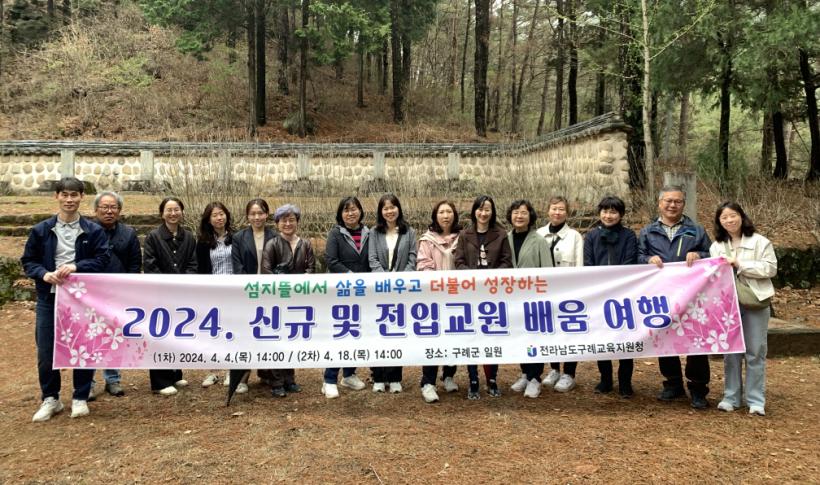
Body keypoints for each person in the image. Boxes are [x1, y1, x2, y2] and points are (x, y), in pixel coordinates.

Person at [21, 177, 110, 421]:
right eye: (65, 195)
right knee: (46, 350)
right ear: (56, 196)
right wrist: (44, 274)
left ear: (82, 197)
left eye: (74, 195)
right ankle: (51, 398)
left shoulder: (93, 230)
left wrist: (76, 266)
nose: (69, 200)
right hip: (48, 298)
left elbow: (102, 259)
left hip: (82, 299)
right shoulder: (41, 230)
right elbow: (29, 261)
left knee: (84, 346)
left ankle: (80, 397)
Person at [638, 185, 712, 409]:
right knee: (665, 338)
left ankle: (698, 388)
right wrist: (647, 260)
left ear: (683, 204)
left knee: (696, 340)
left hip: (692, 296)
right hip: (661, 295)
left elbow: (712, 255)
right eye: (668, 201)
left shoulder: (696, 230)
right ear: (660, 203)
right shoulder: (648, 231)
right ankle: (672, 384)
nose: (672, 205)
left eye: (677, 201)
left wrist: (699, 254)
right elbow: (638, 256)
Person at [709, 202, 777, 416]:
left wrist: (740, 264)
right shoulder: (716, 246)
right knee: (731, 351)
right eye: (724, 217)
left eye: (733, 215)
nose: (729, 220)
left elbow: (770, 269)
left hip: (755, 301)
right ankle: (731, 397)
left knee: (755, 351)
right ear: (719, 222)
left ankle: (755, 400)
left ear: (741, 216)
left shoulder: (760, 242)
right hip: (728, 304)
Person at [454, 195, 512, 400]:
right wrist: (472, 278)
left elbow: (506, 261)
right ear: (474, 212)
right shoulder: (464, 235)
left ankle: (492, 378)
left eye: (487, 209)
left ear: (492, 211)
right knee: (471, 336)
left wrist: (491, 278)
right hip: (470, 293)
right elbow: (458, 261)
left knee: (491, 335)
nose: (483, 213)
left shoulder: (501, 234)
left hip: (493, 294)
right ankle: (473, 379)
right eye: (480, 209)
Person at [584, 196, 638, 397]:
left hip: (624, 294)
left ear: (621, 215)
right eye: (605, 211)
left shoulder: (629, 235)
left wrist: (615, 283)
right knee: (602, 338)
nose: (608, 216)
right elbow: (588, 264)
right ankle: (605, 379)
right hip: (599, 295)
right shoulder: (591, 236)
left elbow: (630, 261)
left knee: (625, 339)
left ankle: (625, 382)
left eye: (613, 212)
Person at [143, 196, 197, 396]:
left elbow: (193, 264)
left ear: (182, 212)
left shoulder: (188, 237)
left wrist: (183, 283)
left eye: (176, 210)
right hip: (160, 294)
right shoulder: (153, 237)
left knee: (177, 333)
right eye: (169, 210)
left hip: (182, 294)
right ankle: (160, 381)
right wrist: (168, 285)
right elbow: (150, 265)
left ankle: (175, 373)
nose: (173, 213)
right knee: (160, 334)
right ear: (162, 214)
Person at [89, 191, 141, 398]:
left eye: (113, 207)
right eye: (105, 207)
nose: (109, 211)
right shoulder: (86, 231)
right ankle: (87, 383)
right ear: (96, 209)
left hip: (118, 293)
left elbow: (135, 264)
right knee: (89, 337)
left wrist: (129, 289)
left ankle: (113, 379)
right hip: (90, 294)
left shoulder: (128, 233)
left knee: (113, 336)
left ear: (119, 210)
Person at [261, 204, 314, 397]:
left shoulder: (305, 244)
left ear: (297, 222)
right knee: (276, 339)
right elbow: (266, 271)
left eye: (292, 220)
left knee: (292, 338)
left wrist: (301, 282)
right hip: (277, 300)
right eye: (284, 220)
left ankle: (290, 378)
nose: (288, 224)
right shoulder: (272, 244)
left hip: (298, 301)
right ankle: (276, 381)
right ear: (277, 223)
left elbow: (311, 269)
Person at [321, 196, 370, 399]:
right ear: (341, 214)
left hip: (362, 292)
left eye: (354, 209)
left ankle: (349, 374)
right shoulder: (336, 233)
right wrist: (351, 277)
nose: (351, 213)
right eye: (346, 210)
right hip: (341, 291)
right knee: (341, 333)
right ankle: (329, 379)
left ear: (360, 211)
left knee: (357, 332)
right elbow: (331, 260)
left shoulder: (368, 232)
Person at [368, 194, 417, 394]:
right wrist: (385, 281)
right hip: (380, 290)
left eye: (393, 207)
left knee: (397, 333)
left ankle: (395, 377)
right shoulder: (374, 232)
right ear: (381, 212)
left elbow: (412, 259)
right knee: (378, 333)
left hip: (401, 290)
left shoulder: (409, 232)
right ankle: (379, 377)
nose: (389, 211)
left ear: (399, 209)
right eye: (385, 208)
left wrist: (400, 281)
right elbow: (372, 259)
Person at [536, 196, 584, 392]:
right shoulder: (539, 234)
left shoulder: (574, 236)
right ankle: (554, 368)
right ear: (548, 210)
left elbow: (579, 265)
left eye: (561, 209)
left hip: (568, 292)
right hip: (544, 292)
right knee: (550, 331)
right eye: (554, 208)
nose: (557, 212)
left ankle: (569, 373)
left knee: (569, 331)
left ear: (567, 212)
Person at [506, 199, 553, 399]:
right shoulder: (505, 238)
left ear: (530, 216)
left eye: (523, 212)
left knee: (534, 337)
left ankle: (535, 378)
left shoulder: (539, 240)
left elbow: (548, 271)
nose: (519, 216)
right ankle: (525, 373)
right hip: (512, 298)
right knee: (520, 336)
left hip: (534, 298)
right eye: (515, 212)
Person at [416, 200, 461, 403]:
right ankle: (428, 382)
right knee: (433, 338)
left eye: (449, 212)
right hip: (434, 298)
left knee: (454, 336)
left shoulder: (462, 238)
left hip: (457, 296)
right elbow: (423, 264)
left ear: (454, 215)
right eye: (441, 212)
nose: (445, 216)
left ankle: (449, 375)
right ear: (435, 216)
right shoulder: (427, 240)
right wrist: (439, 283)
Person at [230, 198, 277, 393]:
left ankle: (267, 373)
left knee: (268, 333)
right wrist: (249, 288)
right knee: (245, 335)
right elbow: (237, 266)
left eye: (260, 213)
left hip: (270, 293)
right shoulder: (239, 237)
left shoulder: (275, 235)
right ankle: (241, 378)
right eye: (253, 214)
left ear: (267, 215)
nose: (257, 217)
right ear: (247, 216)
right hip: (247, 293)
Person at [196, 202, 234, 389]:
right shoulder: (203, 242)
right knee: (212, 332)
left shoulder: (237, 238)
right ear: (208, 220)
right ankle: (212, 371)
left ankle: (230, 371)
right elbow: (201, 269)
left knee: (231, 331)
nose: (219, 218)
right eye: (214, 215)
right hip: (212, 292)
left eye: (221, 214)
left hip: (234, 292)